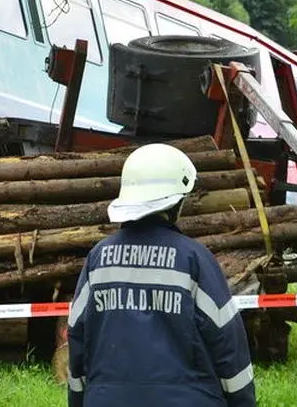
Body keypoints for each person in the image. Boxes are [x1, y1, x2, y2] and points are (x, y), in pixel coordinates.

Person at [66, 142, 256, 407]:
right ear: (177, 202)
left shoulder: (98, 259)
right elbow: (228, 343)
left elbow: (76, 336)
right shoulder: (195, 260)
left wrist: (79, 400)